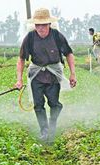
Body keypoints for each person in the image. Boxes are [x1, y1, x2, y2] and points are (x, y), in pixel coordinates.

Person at [15, 8, 77, 143]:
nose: (41, 28)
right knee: (38, 105)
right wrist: (19, 80)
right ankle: (44, 131)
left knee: (54, 103)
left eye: (43, 25)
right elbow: (21, 59)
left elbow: (69, 54)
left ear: (49, 24)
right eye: (38, 25)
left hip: (53, 75)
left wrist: (73, 74)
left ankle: (52, 124)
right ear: (35, 25)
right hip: (36, 75)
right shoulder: (30, 37)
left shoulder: (57, 36)